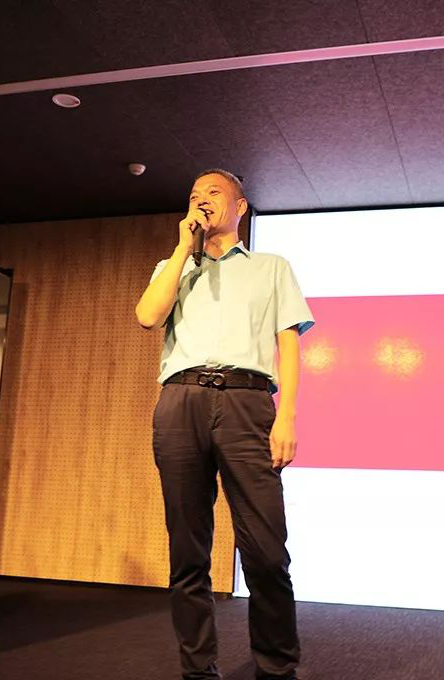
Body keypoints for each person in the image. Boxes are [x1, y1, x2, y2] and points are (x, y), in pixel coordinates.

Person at [135, 169, 314, 680]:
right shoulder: (174, 266)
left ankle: (276, 669)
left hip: (247, 401)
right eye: (194, 195)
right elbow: (148, 316)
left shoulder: (271, 267)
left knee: (266, 551)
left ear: (241, 206)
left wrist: (287, 417)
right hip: (181, 401)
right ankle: (198, 670)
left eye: (213, 193)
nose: (201, 200)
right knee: (187, 551)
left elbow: (288, 346)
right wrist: (181, 250)